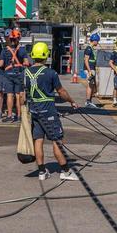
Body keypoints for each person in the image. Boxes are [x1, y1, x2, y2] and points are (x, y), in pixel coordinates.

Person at [21, 41, 80, 181]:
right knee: (57, 141)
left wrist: (23, 114)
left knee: (38, 140)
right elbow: (61, 92)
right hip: (48, 112)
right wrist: (71, 101)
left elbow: (22, 96)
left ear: (33, 55)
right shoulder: (51, 73)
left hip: (34, 112)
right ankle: (65, 171)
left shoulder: (26, 73)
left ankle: (42, 171)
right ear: (46, 56)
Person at [0, 28, 28, 123]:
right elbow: (26, 62)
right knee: (18, 95)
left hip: (8, 74)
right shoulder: (22, 50)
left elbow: (1, 64)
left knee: (9, 95)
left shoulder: (5, 50)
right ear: (18, 39)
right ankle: (19, 115)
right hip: (19, 74)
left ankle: (9, 115)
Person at [83, 33, 100, 104]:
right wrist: (89, 71)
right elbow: (86, 60)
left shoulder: (91, 49)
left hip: (92, 68)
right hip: (89, 69)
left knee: (92, 84)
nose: (98, 42)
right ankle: (88, 101)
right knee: (90, 85)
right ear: (94, 41)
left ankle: (90, 100)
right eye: (97, 41)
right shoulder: (88, 49)